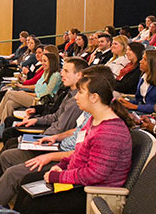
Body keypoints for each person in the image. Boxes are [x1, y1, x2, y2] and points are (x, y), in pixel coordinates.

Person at [12, 66, 133, 214]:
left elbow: (94, 175)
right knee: (27, 181)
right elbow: (79, 153)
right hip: (78, 179)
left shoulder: (110, 132)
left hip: (93, 193)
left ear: (94, 97)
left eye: (81, 92)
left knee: (33, 202)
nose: (76, 96)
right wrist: (62, 166)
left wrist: (59, 176)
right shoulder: (95, 120)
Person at [0, 60, 91, 209]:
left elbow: (80, 155)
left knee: (11, 141)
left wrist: (50, 151)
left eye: (67, 71)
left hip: (57, 152)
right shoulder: (73, 98)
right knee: (9, 146)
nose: (62, 73)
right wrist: (41, 124)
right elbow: (63, 123)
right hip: (53, 141)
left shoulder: (80, 106)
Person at [0, 53, 62, 128]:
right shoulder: (46, 72)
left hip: (40, 102)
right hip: (34, 96)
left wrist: (26, 93)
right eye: (42, 61)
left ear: (52, 62)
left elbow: (45, 94)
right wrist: (23, 87)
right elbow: (36, 86)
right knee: (9, 103)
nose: (42, 63)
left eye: (45, 61)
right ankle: (2, 129)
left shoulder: (55, 76)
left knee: (9, 93)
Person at [118, 50, 156, 114]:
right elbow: (138, 100)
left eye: (145, 60)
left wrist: (135, 107)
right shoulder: (143, 76)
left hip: (150, 114)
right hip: (140, 110)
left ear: (153, 64)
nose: (140, 62)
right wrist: (125, 103)